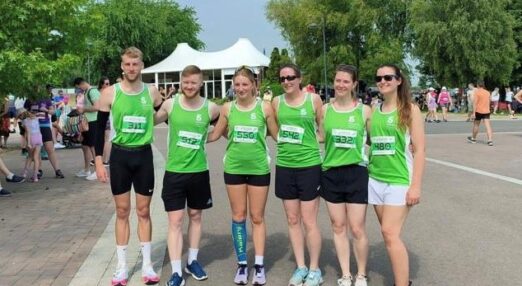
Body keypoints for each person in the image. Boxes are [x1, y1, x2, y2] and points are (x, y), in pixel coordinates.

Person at [94, 47, 163, 286]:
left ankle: (147, 265)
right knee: (122, 211)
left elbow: (166, 114)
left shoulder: (152, 93)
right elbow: (98, 129)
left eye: (135, 64)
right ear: (121, 66)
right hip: (121, 157)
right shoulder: (110, 93)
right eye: (127, 64)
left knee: (143, 212)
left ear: (141, 65)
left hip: (143, 156)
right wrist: (99, 162)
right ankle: (121, 267)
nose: (131, 68)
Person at [207, 66, 278, 285]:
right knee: (238, 216)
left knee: (257, 217)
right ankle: (241, 265)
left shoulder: (264, 108)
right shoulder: (227, 108)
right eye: (236, 84)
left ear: (254, 85)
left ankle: (258, 265)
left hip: (258, 169)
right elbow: (216, 134)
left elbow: (278, 136)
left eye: (244, 84)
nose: (240, 88)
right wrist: (188, 132)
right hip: (234, 169)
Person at [153, 65, 220, 286]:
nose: (189, 86)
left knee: (196, 216)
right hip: (174, 172)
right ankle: (175, 272)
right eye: (186, 82)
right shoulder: (171, 105)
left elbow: (224, 124)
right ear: (181, 82)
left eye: (194, 82)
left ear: (201, 83)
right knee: (175, 221)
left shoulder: (210, 108)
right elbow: (152, 120)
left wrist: (209, 137)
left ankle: (192, 260)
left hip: (199, 172)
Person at [369, 64, 425, 286]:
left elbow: (420, 150)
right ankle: (403, 279)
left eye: (388, 77)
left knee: (389, 232)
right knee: (389, 236)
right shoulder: (374, 109)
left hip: (400, 180)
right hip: (375, 180)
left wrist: (416, 186)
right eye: (379, 77)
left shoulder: (410, 109)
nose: (382, 81)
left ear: (399, 80)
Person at [317, 64, 370, 286]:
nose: (340, 85)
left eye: (345, 81)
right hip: (330, 173)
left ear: (354, 84)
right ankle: (346, 274)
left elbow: (374, 140)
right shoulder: (325, 110)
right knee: (338, 226)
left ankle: (361, 275)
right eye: (337, 80)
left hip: (356, 172)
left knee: (357, 228)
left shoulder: (364, 111)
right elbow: (320, 137)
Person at [272, 63, 324, 286]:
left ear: (299, 78)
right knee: (292, 220)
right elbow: (275, 132)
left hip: (309, 166)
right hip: (285, 166)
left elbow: (322, 130)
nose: (286, 82)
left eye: (291, 77)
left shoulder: (313, 100)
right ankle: (301, 267)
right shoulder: (276, 102)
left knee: (309, 221)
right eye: (282, 78)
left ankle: (315, 270)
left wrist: (308, 143)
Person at [23, 87, 65, 179]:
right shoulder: (29, 99)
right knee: (36, 151)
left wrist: (46, 110)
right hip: (34, 128)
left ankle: (57, 170)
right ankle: (38, 171)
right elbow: (24, 112)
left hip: (44, 126)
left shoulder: (46, 98)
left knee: (50, 148)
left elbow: (53, 112)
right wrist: (29, 114)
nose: (37, 88)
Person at [74, 77, 100, 181]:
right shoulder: (87, 92)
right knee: (85, 146)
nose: (79, 89)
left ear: (81, 84)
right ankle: (87, 169)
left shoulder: (92, 92)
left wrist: (83, 109)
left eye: (78, 87)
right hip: (87, 122)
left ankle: (98, 170)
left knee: (93, 146)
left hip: (93, 122)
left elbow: (97, 107)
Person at [467, 81, 493, 146]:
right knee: (488, 126)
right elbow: (490, 101)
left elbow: (474, 103)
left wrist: (473, 113)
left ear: (478, 85)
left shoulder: (476, 92)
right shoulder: (487, 92)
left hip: (478, 111)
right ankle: (490, 140)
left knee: (476, 125)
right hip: (486, 111)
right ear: (483, 85)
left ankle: (473, 139)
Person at [21, 111, 43, 182]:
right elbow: (39, 130)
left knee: (30, 157)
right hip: (39, 138)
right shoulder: (37, 119)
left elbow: (28, 132)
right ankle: (35, 176)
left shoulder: (25, 121)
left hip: (32, 139)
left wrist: (28, 143)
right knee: (36, 158)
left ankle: (25, 173)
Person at [97, 77, 112, 166]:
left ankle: (102, 159)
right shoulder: (104, 93)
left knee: (103, 139)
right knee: (107, 140)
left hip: (102, 117)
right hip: (105, 117)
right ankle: (105, 160)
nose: (108, 85)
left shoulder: (99, 93)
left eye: (109, 83)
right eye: (106, 83)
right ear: (102, 84)